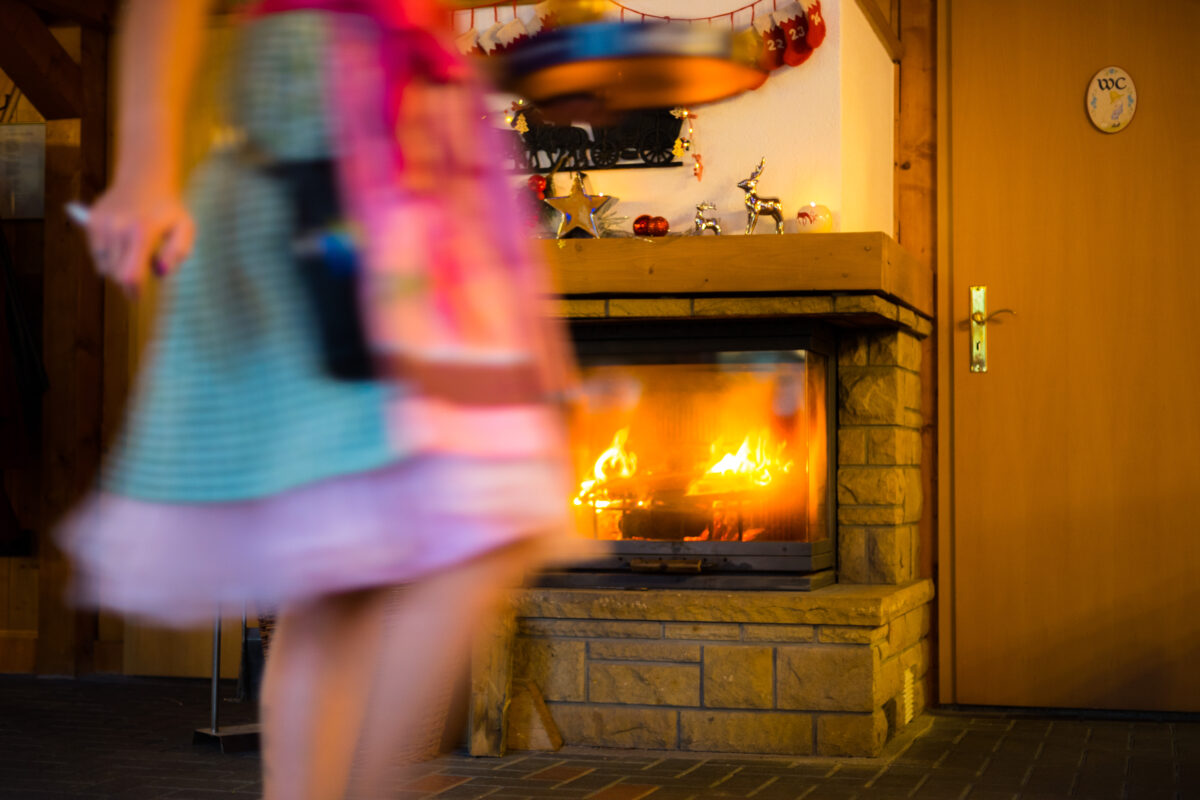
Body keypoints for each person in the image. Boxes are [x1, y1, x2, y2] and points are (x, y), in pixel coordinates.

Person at [59, 1, 582, 797]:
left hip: (422, 167)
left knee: (347, 580)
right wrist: (144, 169)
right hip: (330, 148)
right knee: (469, 527)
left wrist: (547, 74)